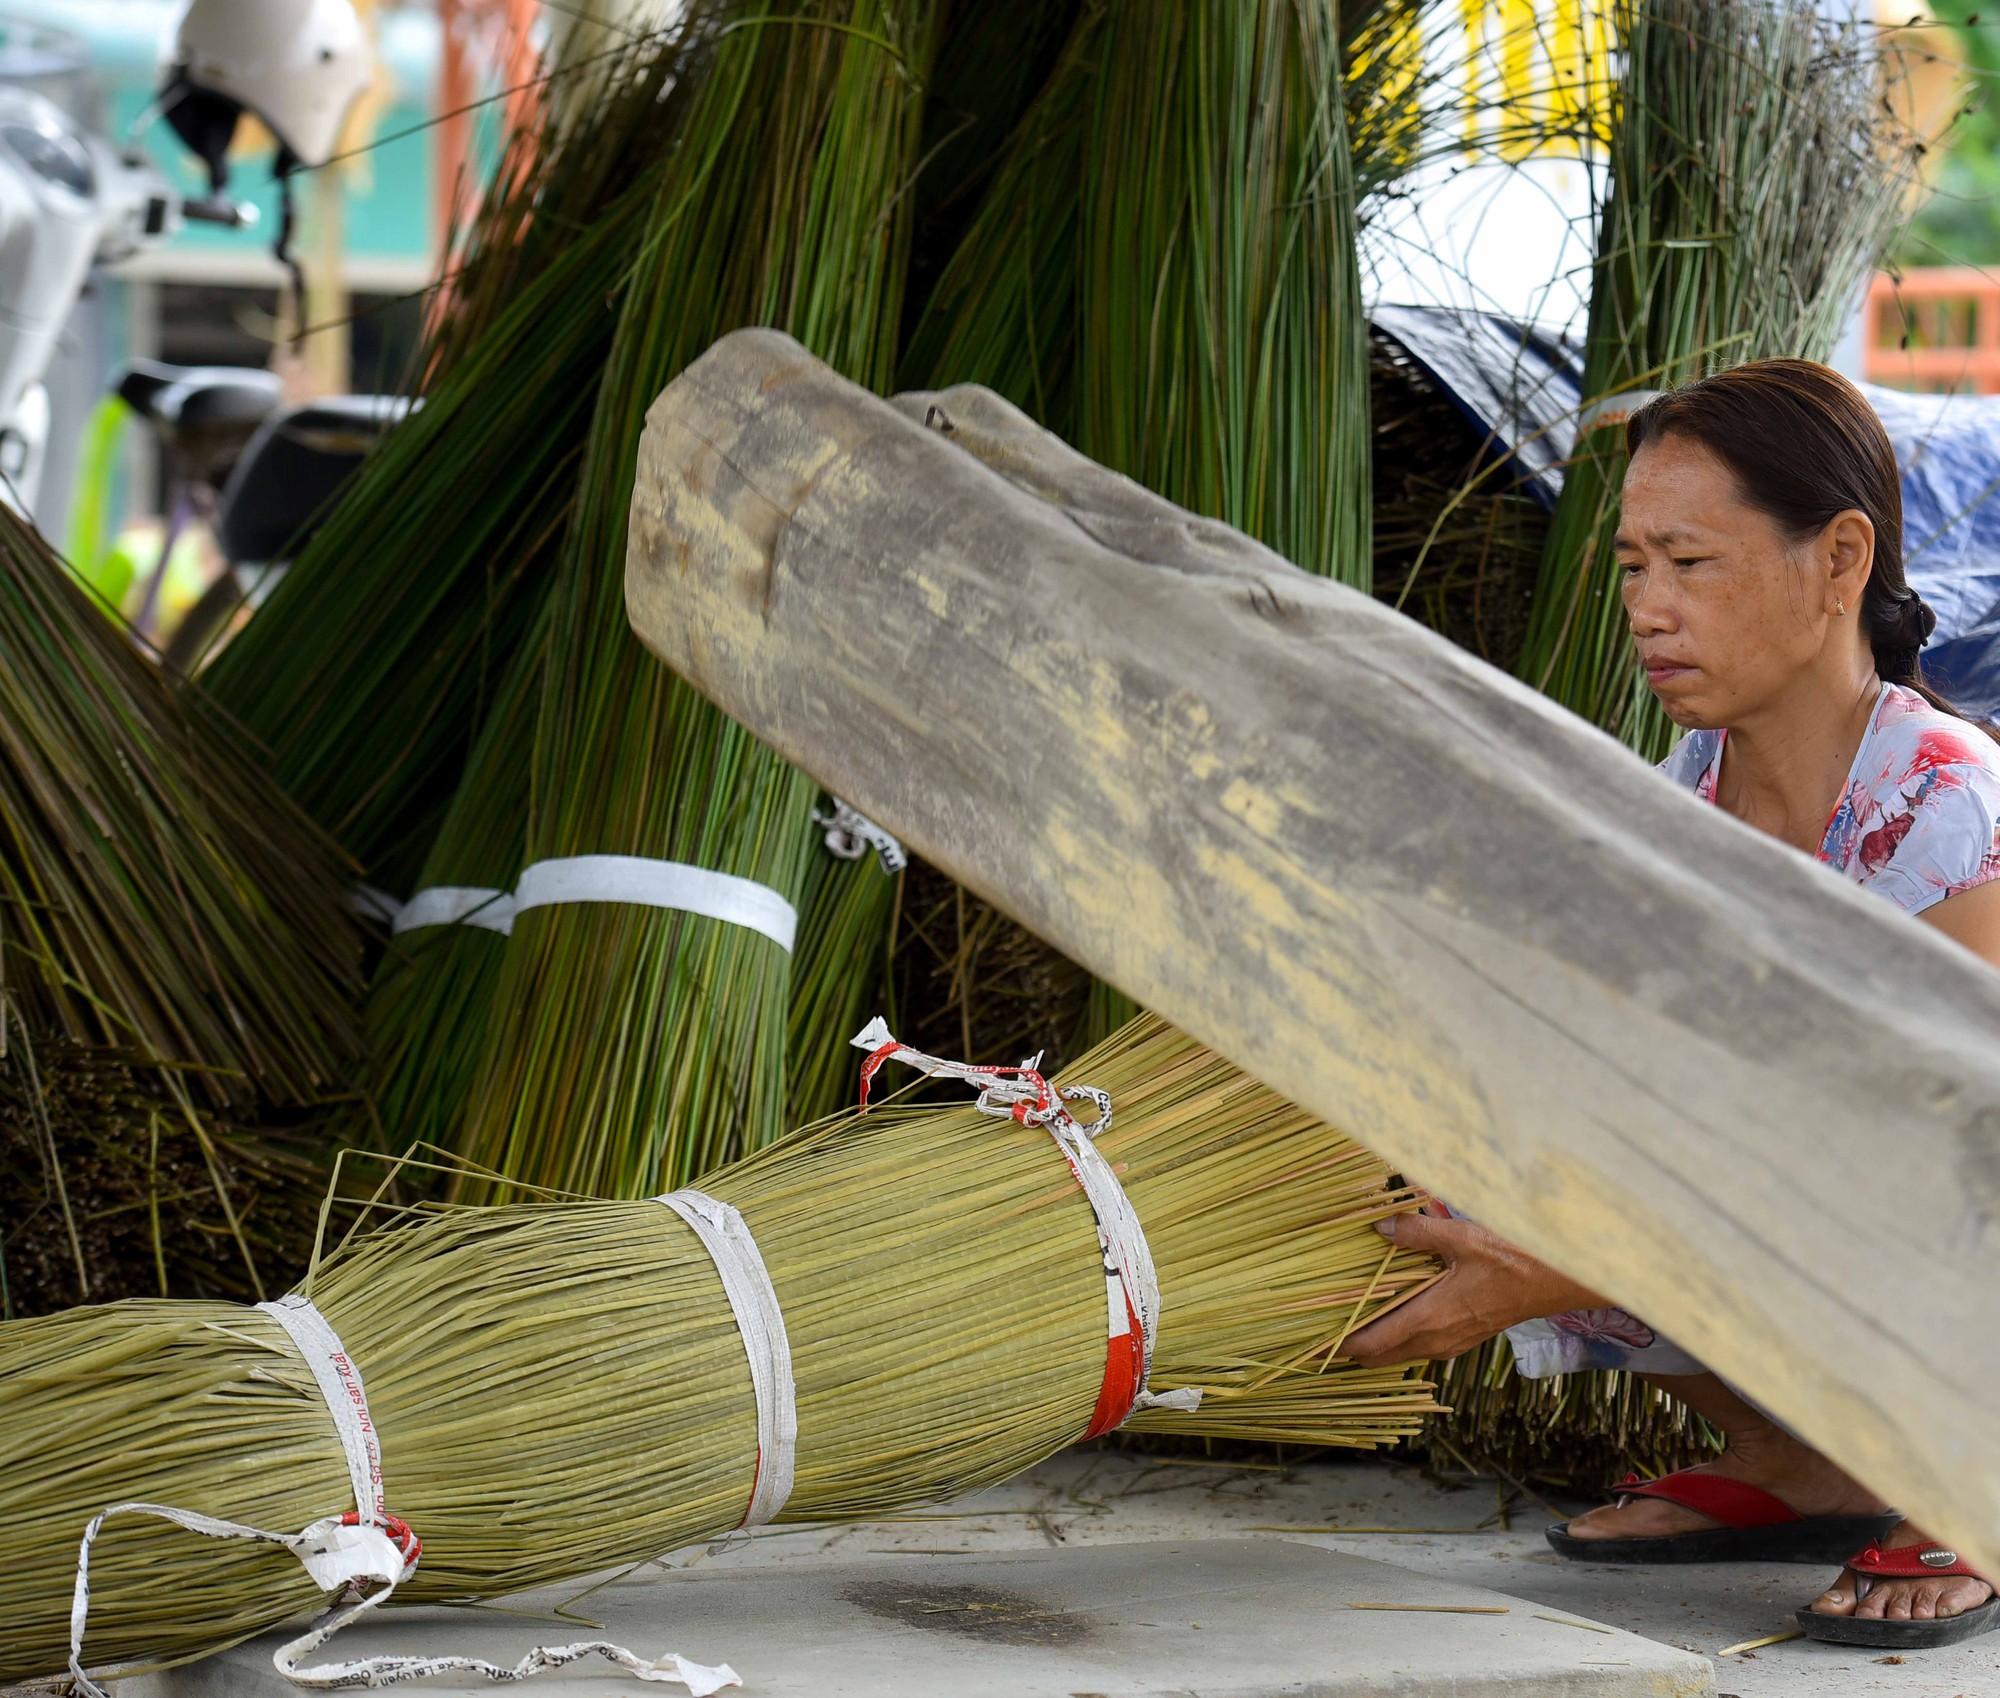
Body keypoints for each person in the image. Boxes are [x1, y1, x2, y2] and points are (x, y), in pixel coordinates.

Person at [1344, 359, 2000, 1652]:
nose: (1649, 607)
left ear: (1840, 560)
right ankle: (1802, 1462)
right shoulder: (1690, 784)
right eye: (1636, 566)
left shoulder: (1946, 806)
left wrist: (1558, 1260)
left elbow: (1926, 1173)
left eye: (1690, 563)